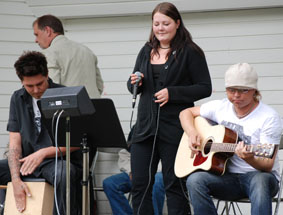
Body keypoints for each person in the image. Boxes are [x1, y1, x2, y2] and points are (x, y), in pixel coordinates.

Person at [127, 2, 212, 215]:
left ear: (177, 23)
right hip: (145, 128)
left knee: (174, 185)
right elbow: (133, 86)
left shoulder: (190, 52)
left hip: (174, 129)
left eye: (166, 23)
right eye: (156, 24)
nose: (160, 28)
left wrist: (173, 93)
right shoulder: (146, 50)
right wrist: (134, 82)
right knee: (139, 184)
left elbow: (205, 88)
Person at [179, 63, 283, 215]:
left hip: (259, 178)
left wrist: (249, 159)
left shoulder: (269, 117)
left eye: (243, 90)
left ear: (254, 90)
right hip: (225, 177)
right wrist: (192, 132)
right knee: (195, 180)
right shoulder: (220, 107)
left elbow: (267, 165)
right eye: (231, 90)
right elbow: (185, 113)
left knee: (260, 180)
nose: (236, 95)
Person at [0, 51, 83, 215]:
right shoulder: (17, 98)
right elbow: (14, 142)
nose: (36, 90)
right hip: (27, 161)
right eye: (29, 86)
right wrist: (15, 180)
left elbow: (77, 142)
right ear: (21, 81)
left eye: (40, 84)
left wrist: (43, 153)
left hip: (57, 161)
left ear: (47, 75)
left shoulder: (66, 94)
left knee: (63, 175)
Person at [32, 14, 104, 98]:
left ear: (48, 30)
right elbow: (99, 86)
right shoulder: (86, 50)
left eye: (36, 34)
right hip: (95, 106)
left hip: (70, 108)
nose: (36, 40)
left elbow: (52, 91)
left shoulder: (49, 53)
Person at [103, 149, 165, 215]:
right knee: (110, 184)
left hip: (157, 171)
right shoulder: (131, 139)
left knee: (156, 182)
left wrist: (148, 172)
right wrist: (131, 171)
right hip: (136, 171)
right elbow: (124, 155)